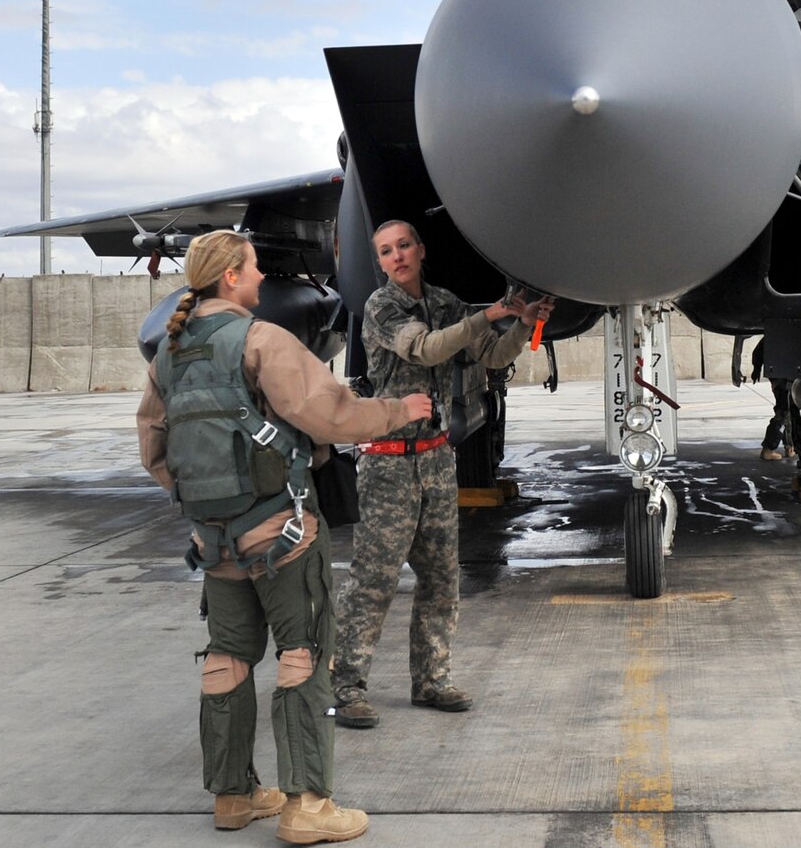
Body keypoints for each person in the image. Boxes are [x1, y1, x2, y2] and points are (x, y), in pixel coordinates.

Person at [137, 230, 432, 844]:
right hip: (283, 534)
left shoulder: (167, 355)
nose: (263, 279)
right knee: (303, 656)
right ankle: (308, 807)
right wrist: (399, 410)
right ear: (230, 278)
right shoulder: (261, 339)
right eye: (253, 269)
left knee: (225, 659)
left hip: (213, 541)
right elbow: (331, 414)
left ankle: (234, 796)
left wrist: (209, 505)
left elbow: (155, 451)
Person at [331, 219, 549, 730]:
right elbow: (428, 348)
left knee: (441, 579)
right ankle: (347, 686)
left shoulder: (447, 303)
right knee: (373, 582)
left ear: (420, 250)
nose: (397, 257)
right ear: (380, 262)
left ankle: (431, 680)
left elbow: (491, 355)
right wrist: (489, 314)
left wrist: (521, 323)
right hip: (388, 463)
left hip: (435, 458)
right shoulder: (381, 309)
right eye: (386, 251)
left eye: (404, 246)